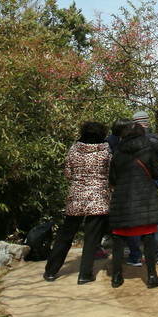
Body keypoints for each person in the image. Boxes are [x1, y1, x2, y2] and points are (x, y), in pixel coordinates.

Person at [44, 121, 110, 284]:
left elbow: (68, 174)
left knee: (66, 234)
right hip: (98, 197)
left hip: (77, 196)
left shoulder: (74, 150)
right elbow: (110, 174)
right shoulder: (106, 150)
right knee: (91, 237)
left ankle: (51, 271)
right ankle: (84, 275)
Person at [108, 121, 158, 288]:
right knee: (148, 238)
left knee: (119, 239)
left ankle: (116, 277)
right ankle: (152, 276)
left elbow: (112, 179)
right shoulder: (149, 150)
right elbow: (157, 174)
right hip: (145, 199)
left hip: (122, 200)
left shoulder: (118, 153)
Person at [131, 112, 158, 265]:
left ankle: (135, 255)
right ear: (147, 123)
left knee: (134, 219)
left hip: (133, 184)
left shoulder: (128, 140)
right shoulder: (154, 139)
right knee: (156, 218)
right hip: (150, 182)